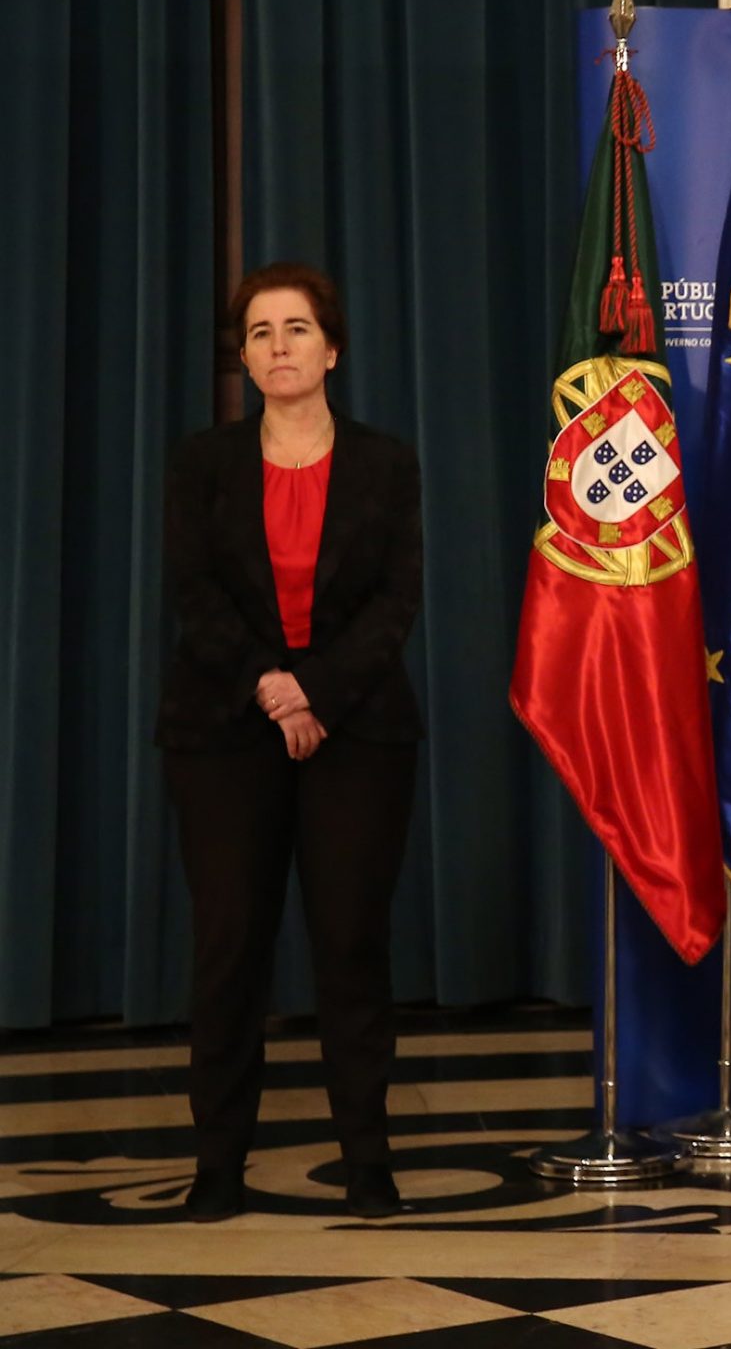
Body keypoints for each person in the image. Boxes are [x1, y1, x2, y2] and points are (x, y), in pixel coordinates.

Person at [158, 263, 423, 1223]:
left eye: (297, 329)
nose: (279, 346)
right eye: (261, 332)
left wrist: (314, 691)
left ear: (332, 349)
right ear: (244, 357)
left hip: (360, 729)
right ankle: (218, 1165)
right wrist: (274, 688)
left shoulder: (387, 463)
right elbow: (195, 594)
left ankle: (367, 1161)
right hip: (224, 731)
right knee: (230, 945)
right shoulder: (202, 464)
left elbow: (395, 602)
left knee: (351, 942)